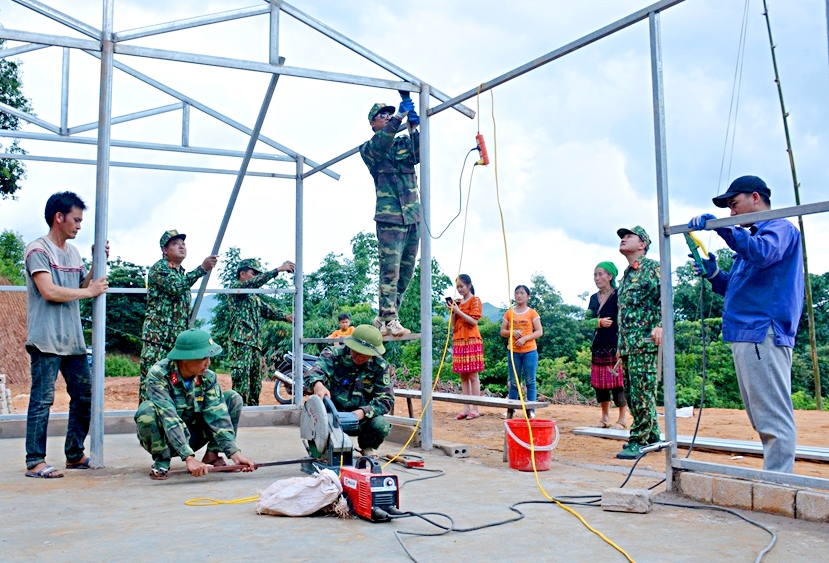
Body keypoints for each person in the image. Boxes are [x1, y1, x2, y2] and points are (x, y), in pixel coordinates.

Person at [688, 175, 803, 473]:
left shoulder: (779, 228)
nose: (732, 213)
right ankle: (776, 481)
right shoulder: (754, 237)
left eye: (734, 204)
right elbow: (737, 289)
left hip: (763, 331)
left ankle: (778, 484)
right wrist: (714, 274)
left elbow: (762, 254)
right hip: (749, 333)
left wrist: (727, 231)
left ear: (755, 197)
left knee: (773, 418)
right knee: (762, 416)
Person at [23, 191, 109, 479]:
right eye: (76, 219)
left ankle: (74, 453)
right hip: (46, 338)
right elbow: (49, 290)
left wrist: (97, 261)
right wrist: (89, 291)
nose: (79, 225)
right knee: (42, 400)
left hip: (72, 341)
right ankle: (35, 460)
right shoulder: (38, 250)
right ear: (58, 217)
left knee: (84, 396)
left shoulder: (72, 253)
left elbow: (82, 285)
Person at [135, 329, 256, 480]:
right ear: (185, 357)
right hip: (165, 438)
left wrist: (234, 453)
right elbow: (169, 416)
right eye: (203, 357)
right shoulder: (159, 374)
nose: (208, 363)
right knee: (147, 410)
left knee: (232, 398)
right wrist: (188, 457)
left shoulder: (208, 377)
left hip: (194, 435)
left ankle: (212, 455)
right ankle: (162, 461)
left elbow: (218, 416)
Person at [359, 95, 420, 338]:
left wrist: (415, 128)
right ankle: (391, 319)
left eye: (390, 115)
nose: (387, 118)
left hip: (412, 215)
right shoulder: (370, 148)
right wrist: (399, 119)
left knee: (406, 273)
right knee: (390, 272)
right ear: (373, 124)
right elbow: (382, 144)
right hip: (390, 218)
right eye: (382, 116)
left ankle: (384, 316)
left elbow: (418, 154)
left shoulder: (402, 143)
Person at [139, 230, 217, 403]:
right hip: (158, 340)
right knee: (152, 385)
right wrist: (202, 269)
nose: (181, 246)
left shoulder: (181, 272)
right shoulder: (160, 268)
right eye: (175, 243)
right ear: (165, 250)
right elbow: (176, 288)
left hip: (175, 342)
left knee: (175, 386)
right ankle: (149, 426)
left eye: (183, 243)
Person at [305, 324, 393, 457]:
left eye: (364, 355)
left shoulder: (380, 367)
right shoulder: (334, 354)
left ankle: (366, 446)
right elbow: (315, 372)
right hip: (329, 416)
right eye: (355, 351)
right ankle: (320, 447)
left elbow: (386, 400)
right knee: (320, 455)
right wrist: (318, 385)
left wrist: (362, 413)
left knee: (381, 425)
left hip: (360, 419)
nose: (358, 356)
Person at [615, 226, 663, 460]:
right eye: (622, 237)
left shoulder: (653, 268)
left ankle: (638, 439)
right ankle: (653, 435)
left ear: (642, 244)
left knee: (643, 391)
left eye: (629, 236)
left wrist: (661, 324)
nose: (623, 239)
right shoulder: (626, 274)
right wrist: (620, 346)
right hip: (628, 344)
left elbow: (666, 297)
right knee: (633, 394)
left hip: (645, 341)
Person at [228, 257, 295, 406]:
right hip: (241, 342)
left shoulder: (253, 298)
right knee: (242, 382)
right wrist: (278, 270)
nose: (256, 277)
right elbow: (255, 283)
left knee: (255, 383)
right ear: (242, 274)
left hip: (255, 344)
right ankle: (239, 414)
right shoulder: (236, 289)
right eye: (253, 273)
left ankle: (252, 413)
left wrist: (286, 317)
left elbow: (268, 310)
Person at [584, 261, 628, 430]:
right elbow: (586, 322)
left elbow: (624, 321)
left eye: (600, 274)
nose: (597, 278)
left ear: (610, 276)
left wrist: (622, 346)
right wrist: (598, 322)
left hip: (615, 344)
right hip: (598, 345)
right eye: (595, 274)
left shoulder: (619, 295)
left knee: (618, 383)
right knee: (600, 385)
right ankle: (605, 418)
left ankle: (622, 419)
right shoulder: (593, 299)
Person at [500, 285, 543, 419]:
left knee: (530, 380)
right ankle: (511, 410)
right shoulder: (509, 313)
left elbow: (539, 331)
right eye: (517, 293)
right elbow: (502, 331)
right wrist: (512, 332)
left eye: (522, 293)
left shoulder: (532, 313)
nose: (519, 295)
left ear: (527, 296)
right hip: (513, 351)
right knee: (514, 381)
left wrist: (525, 338)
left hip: (529, 351)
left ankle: (531, 410)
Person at [450, 274, 484, 420]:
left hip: (471, 339)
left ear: (469, 286)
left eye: (462, 286)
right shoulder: (458, 302)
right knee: (463, 375)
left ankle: (475, 408)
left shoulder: (475, 300)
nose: (460, 289)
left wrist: (458, 311)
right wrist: (453, 311)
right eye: (457, 287)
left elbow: (473, 321)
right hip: (459, 339)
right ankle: (466, 407)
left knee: (473, 375)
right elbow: (454, 324)